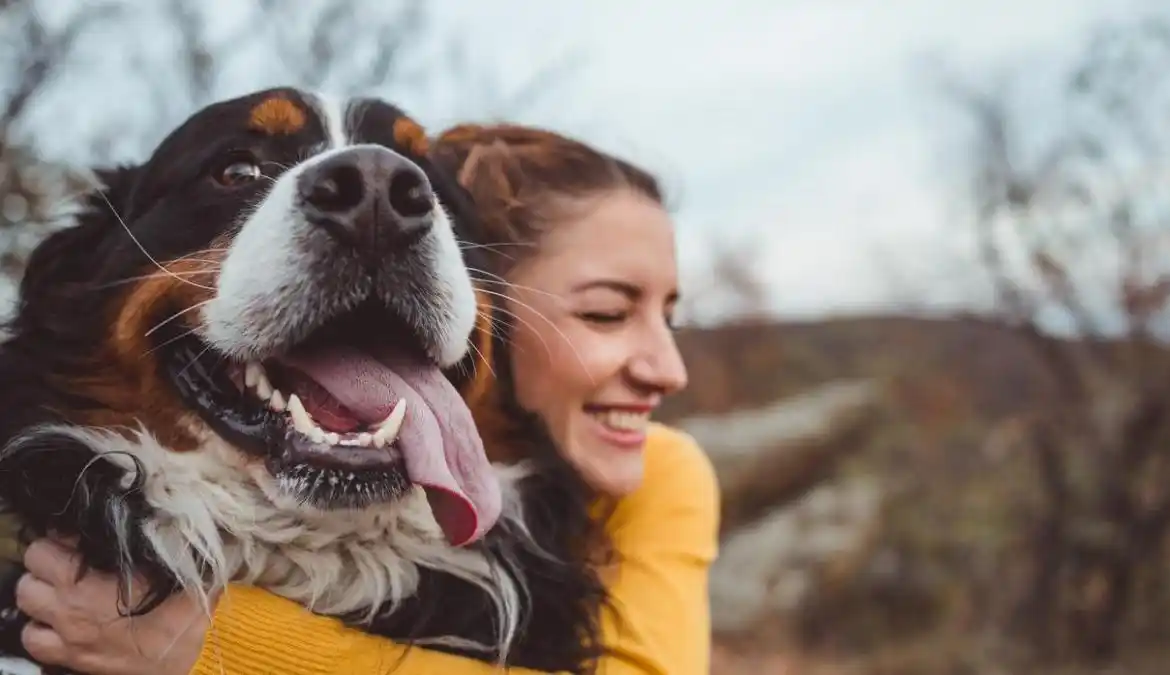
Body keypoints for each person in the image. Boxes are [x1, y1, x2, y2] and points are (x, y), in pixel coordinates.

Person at [14, 123, 720, 675]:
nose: (670, 369)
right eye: (605, 313)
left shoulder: (666, 470)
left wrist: (217, 646)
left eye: (671, 316)